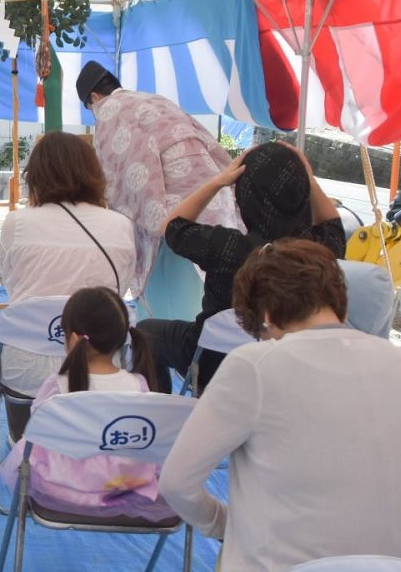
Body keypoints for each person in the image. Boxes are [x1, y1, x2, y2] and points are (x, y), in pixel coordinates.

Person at [160, 239, 401, 572]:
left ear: (266, 316)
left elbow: (176, 482)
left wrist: (225, 526)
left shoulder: (255, 365)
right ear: (338, 303)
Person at [138, 141, 345, 394]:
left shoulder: (224, 247)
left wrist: (218, 182)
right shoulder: (321, 251)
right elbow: (332, 221)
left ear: (243, 194)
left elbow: (171, 225)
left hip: (212, 365)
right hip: (289, 371)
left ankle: (162, 408)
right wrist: (307, 178)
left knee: (144, 332)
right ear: (301, 192)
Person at [76, 61, 242, 320]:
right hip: (212, 194)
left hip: (170, 211)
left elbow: (113, 176)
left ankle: (167, 352)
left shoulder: (108, 109)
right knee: (211, 292)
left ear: (94, 97)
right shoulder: (156, 100)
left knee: (173, 305)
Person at [0, 132, 137, 406]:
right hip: (102, 365)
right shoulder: (119, 224)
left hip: (24, 366)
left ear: (36, 175)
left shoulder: (16, 224)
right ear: (93, 172)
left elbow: (12, 284)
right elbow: (118, 290)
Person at [0, 287, 174, 521]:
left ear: (71, 338)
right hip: (127, 487)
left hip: (61, 490)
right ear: (123, 337)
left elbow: (36, 434)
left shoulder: (57, 387)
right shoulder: (140, 387)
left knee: (25, 449)